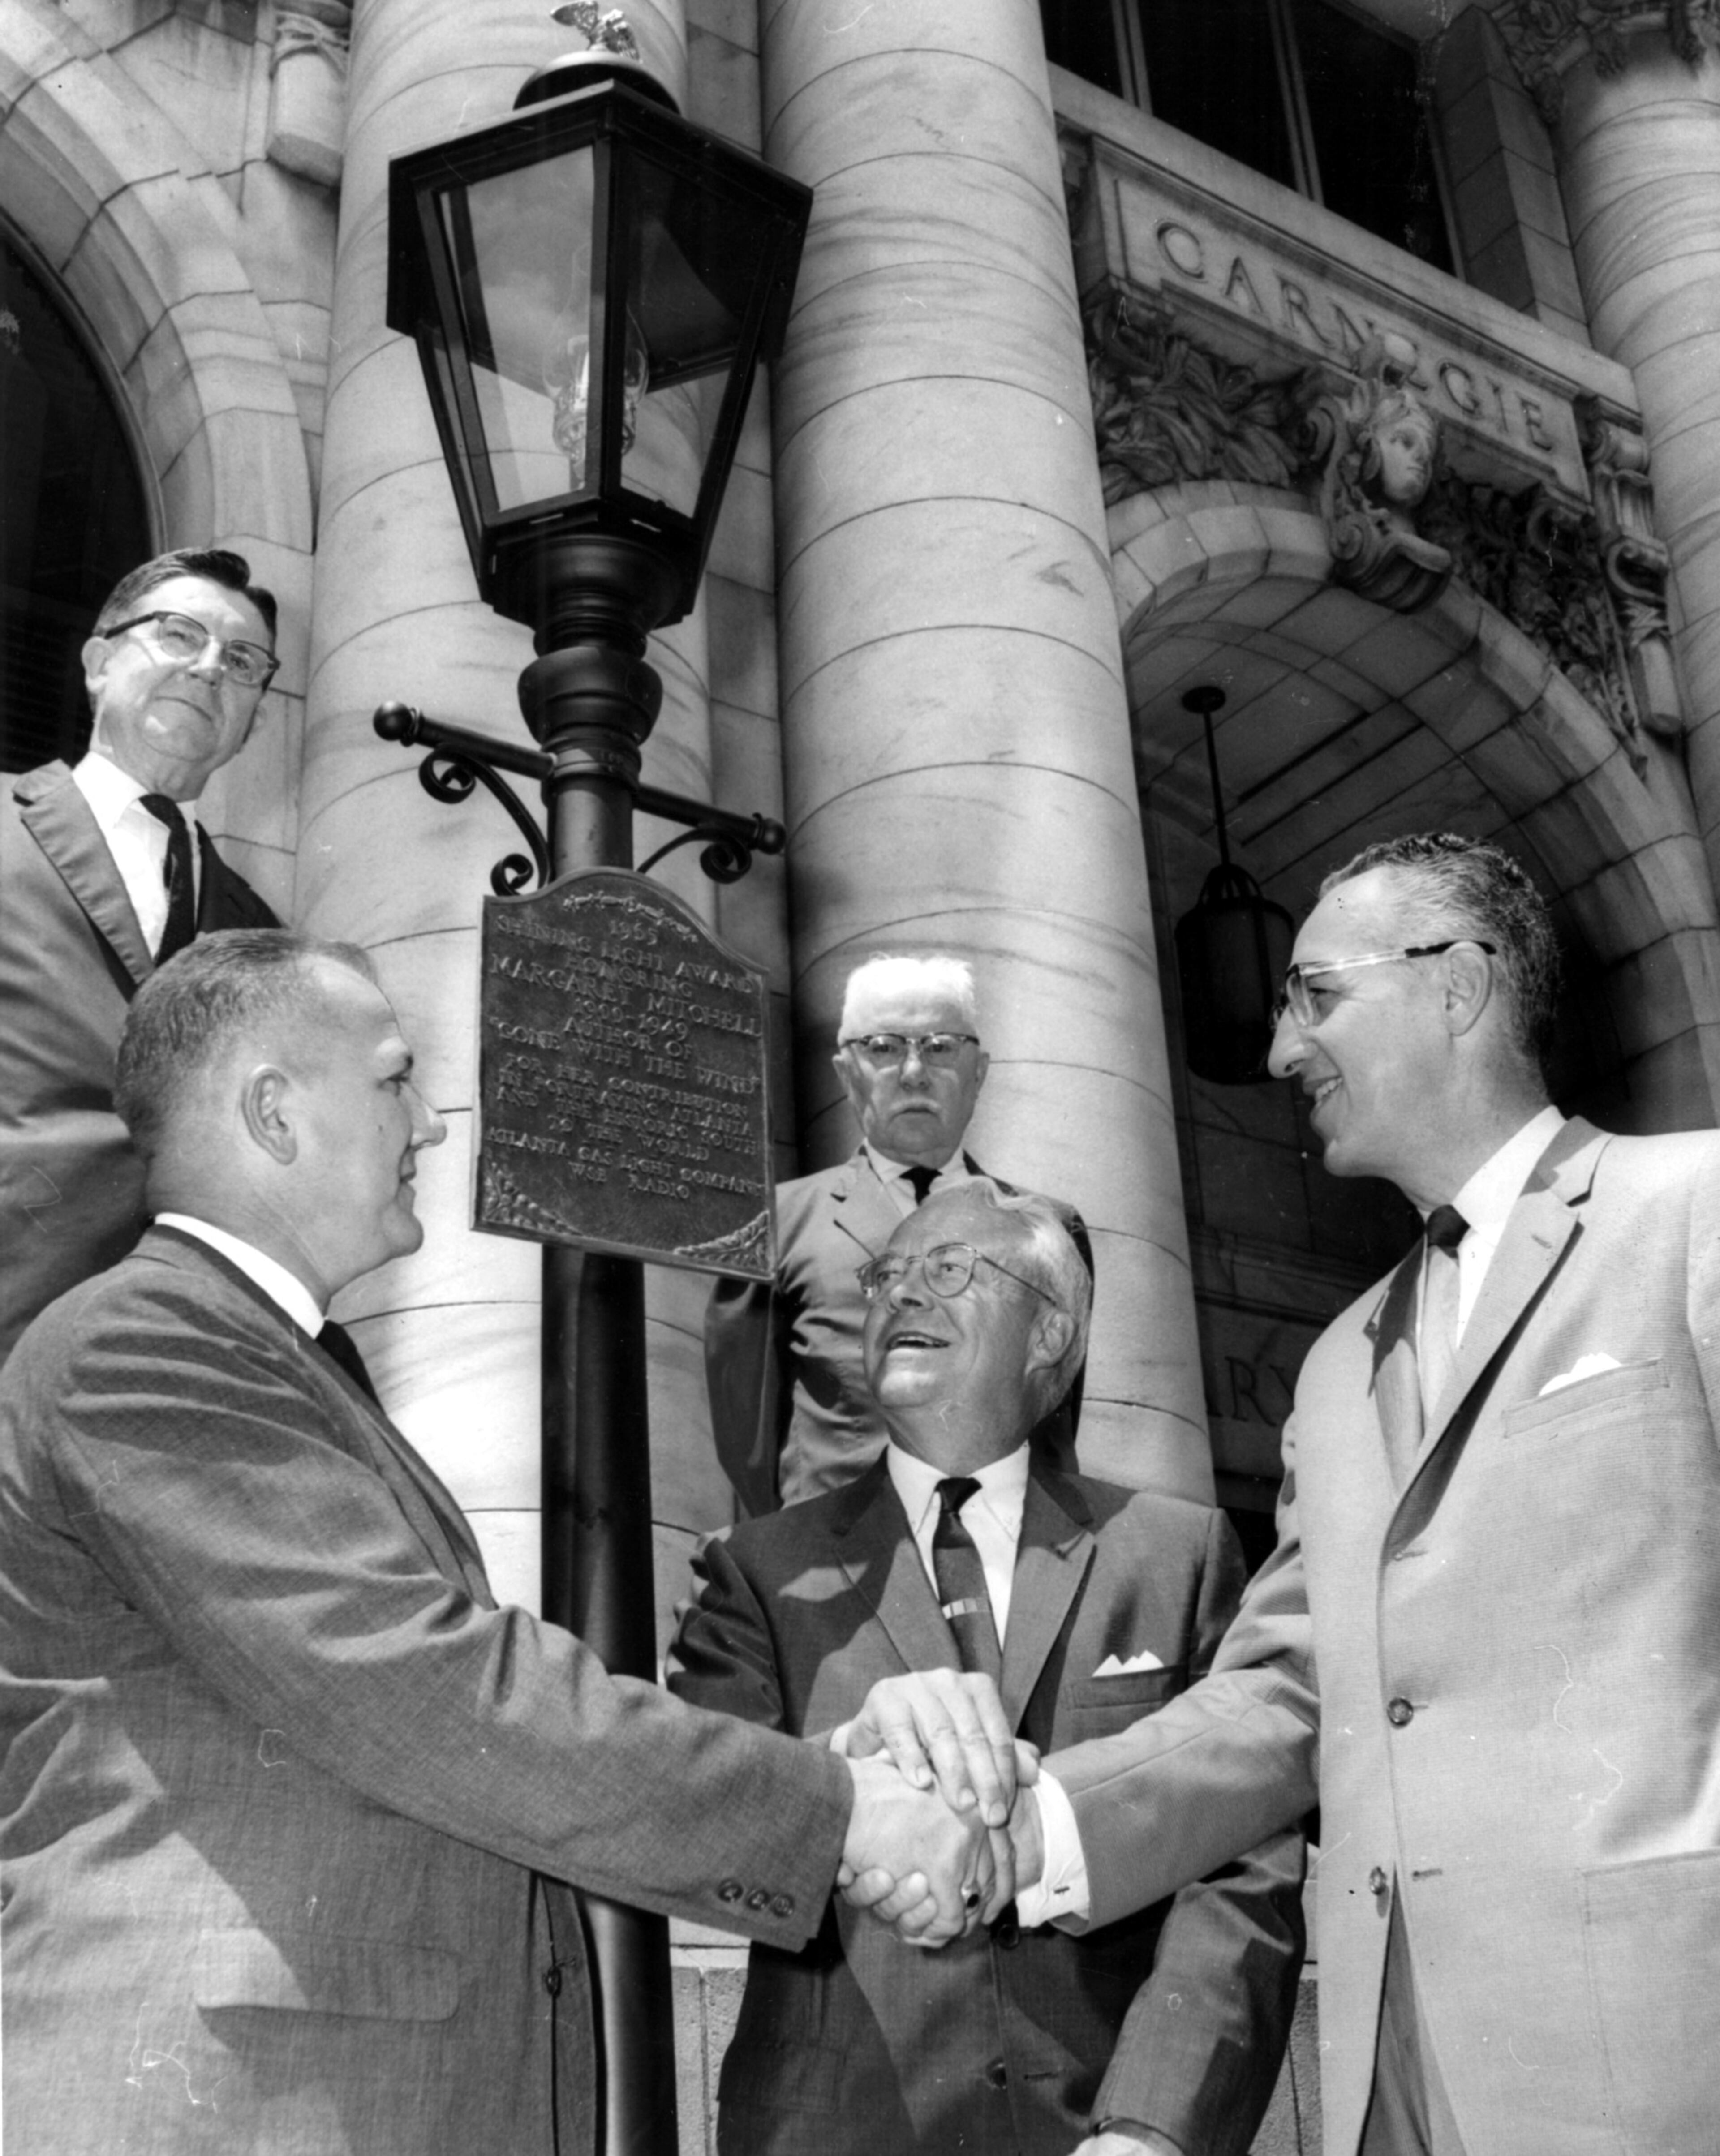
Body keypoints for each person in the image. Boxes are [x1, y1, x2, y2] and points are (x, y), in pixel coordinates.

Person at [0, 929, 1004, 2156]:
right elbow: (427, 1685)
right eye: (392, 1076)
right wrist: (839, 1811)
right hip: (236, 2106)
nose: (427, 1123)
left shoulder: (273, 1358)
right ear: (272, 1111)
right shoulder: (143, 1342)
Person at [882, 830, 1720, 2156]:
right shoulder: (1334, 1371)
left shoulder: (1694, 1209)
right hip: (1393, 2084)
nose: (1277, 1050)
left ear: (1457, 985)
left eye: (1313, 995)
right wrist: (1023, 1824)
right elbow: (1283, 1695)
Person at [671, 1179, 1303, 2156]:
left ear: (1049, 1332)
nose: (900, 1297)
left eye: (949, 1268)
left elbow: (1243, 1862)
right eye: (887, 1275)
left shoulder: (1176, 1553)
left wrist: (1155, 2125)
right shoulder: (763, 1569)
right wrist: (845, 1766)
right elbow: (701, 1812)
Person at [0, 545, 282, 1362]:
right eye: (177, 635)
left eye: (241, 661)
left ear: (253, 717)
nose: (207, 669)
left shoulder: (267, 937)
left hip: (169, 1362)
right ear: (98, 662)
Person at [705, 953, 1090, 1513]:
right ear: (845, 1073)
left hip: (1014, 1556)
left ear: (978, 1071)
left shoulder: (1050, 1226)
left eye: (940, 1046)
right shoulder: (777, 1221)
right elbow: (747, 1434)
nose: (914, 1072)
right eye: (883, 1047)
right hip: (845, 1560)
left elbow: (1055, 1414)